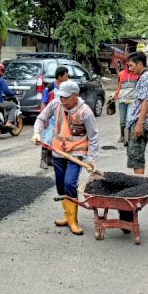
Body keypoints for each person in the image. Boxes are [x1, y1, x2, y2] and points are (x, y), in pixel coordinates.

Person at [32, 81, 100, 235]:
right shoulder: (55, 104)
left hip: (76, 152)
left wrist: (91, 158)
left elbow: (93, 136)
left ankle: (73, 220)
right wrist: (37, 132)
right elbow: (41, 118)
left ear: (76, 96)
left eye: (66, 98)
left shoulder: (85, 112)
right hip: (57, 151)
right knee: (60, 186)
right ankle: (67, 215)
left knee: (69, 183)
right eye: (61, 97)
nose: (62, 100)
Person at [126, 52, 148, 175]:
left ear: (139, 64)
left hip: (140, 123)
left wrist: (140, 123)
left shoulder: (145, 77)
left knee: (137, 159)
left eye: (131, 65)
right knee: (138, 155)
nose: (130, 69)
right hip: (145, 122)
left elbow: (145, 101)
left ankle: (139, 188)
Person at [38, 66, 69, 169]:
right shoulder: (50, 88)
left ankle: (50, 158)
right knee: (48, 138)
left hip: (62, 118)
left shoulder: (66, 87)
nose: (67, 77)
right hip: (51, 118)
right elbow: (43, 102)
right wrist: (44, 118)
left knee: (56, 139)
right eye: (66, 75)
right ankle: (42, 160)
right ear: (60, 76)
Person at [114, 63, 140, 145]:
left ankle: (127, 139)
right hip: (122, 100)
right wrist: (115, 95)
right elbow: (119, 86)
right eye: (129, 65)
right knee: (122, 121)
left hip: (132, 101)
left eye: (132, 65)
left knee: (129, 119)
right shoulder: (121, 74)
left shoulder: (138, 75)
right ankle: (122, 136)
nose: (130, 67)